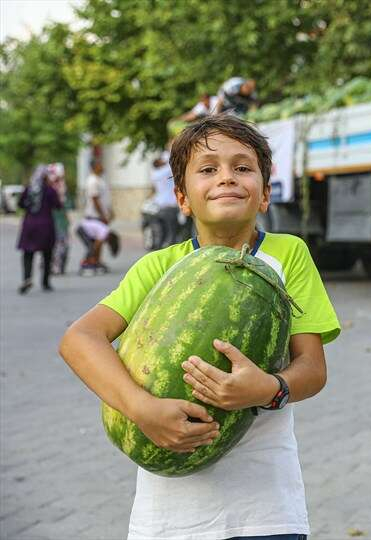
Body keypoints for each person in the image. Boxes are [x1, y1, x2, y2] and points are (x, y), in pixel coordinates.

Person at [59, 113, 340, 540]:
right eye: (208, 170)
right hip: (169, 519)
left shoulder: (288, 255)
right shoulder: (159, 267)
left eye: (242, 168)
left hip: (266, 510)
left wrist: (268, 389)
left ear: (265, 194)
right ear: (182, 198)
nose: (226, 177)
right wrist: (141, 408)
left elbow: (313, 369)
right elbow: (79, 339)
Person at [17, 164, 62, 293]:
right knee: (47, 254)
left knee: (28, 254)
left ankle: (27, 278)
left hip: (29, 225)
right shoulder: (49, 190)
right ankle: (45, 282)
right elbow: (58, 205)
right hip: (45, 225)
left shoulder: (29, 189)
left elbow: (20, 204)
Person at [78, 160, 114, 271]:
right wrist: (102, 215)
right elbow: (95, 199)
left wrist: (110, 212)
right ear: (94, 167)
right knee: (100, 238)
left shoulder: (100, 180)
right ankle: (91, 261)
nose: (102, 167)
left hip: (99, 216)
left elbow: (104, 199)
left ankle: (96, 261)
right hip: (94, 216)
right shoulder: (92, 181)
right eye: (100, 165)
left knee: (99, 239)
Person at [150, 150, 180, 247]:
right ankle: (170, 247)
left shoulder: (154, 174)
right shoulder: (166, 171)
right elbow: (171, 161)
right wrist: (169, 149)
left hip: (160, 206)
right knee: (172, 232)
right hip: (170, 206)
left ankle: (161, 246)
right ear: (159, 164)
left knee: (163, 232)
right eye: (161, 160)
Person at [46, 162, 72, 275]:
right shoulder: (49, 188)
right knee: (54, 244)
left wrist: (67, 216)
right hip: (52, 220)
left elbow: (65, 203)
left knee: (63, 244)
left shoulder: (62, 186)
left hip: (61, 221)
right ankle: (53, 266)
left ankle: (60, 266)